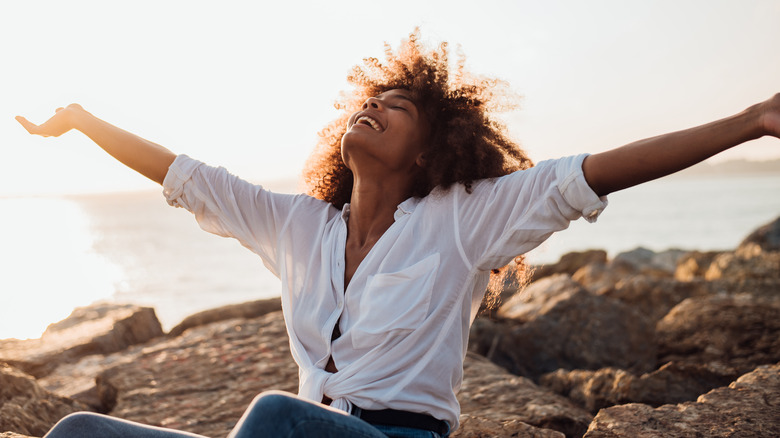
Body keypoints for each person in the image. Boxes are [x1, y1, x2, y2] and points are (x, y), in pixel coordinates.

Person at [17, 31, 780, 438]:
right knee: (82, 431)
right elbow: (187, 176)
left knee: (277, 416)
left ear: (428, 150)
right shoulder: (297, 226)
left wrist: (750, 122)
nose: (372, 107)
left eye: (396, 107)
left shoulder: (465, 219)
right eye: (369, 98)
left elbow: (592, 173)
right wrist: (82, 122)